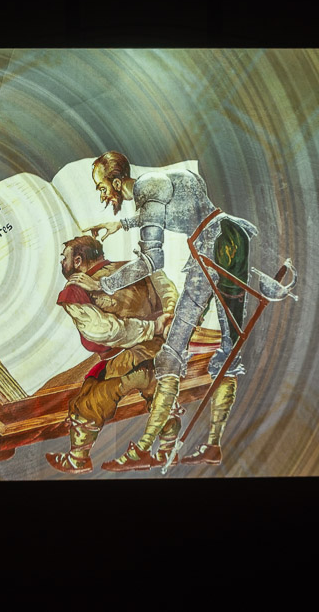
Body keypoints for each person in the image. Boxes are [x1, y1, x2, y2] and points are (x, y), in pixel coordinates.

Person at [68, 151, 258, 471]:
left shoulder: (148, 187)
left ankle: (143, 450)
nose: (102, 195)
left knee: (173, 353)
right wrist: (120, 224)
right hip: (228, 238)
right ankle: (212, 446)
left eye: (102, 188)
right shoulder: (154, 188)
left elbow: (152, 261)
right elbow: (170, 213)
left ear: (118, 182)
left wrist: (102, 285)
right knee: (227, 350)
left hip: (213, 248)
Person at [46, 235, 181, 474]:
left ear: (78, 261)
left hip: (127, 362)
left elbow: (103, 330)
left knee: (89, 401)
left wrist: (151, 328)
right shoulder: (134, 268)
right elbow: (167, 288)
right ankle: (167, 451)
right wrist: (168, 315)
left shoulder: (75, 291)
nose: (61, 263)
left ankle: (78, 460)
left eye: (63, 258)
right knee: (161, 399)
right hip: (161, 354)